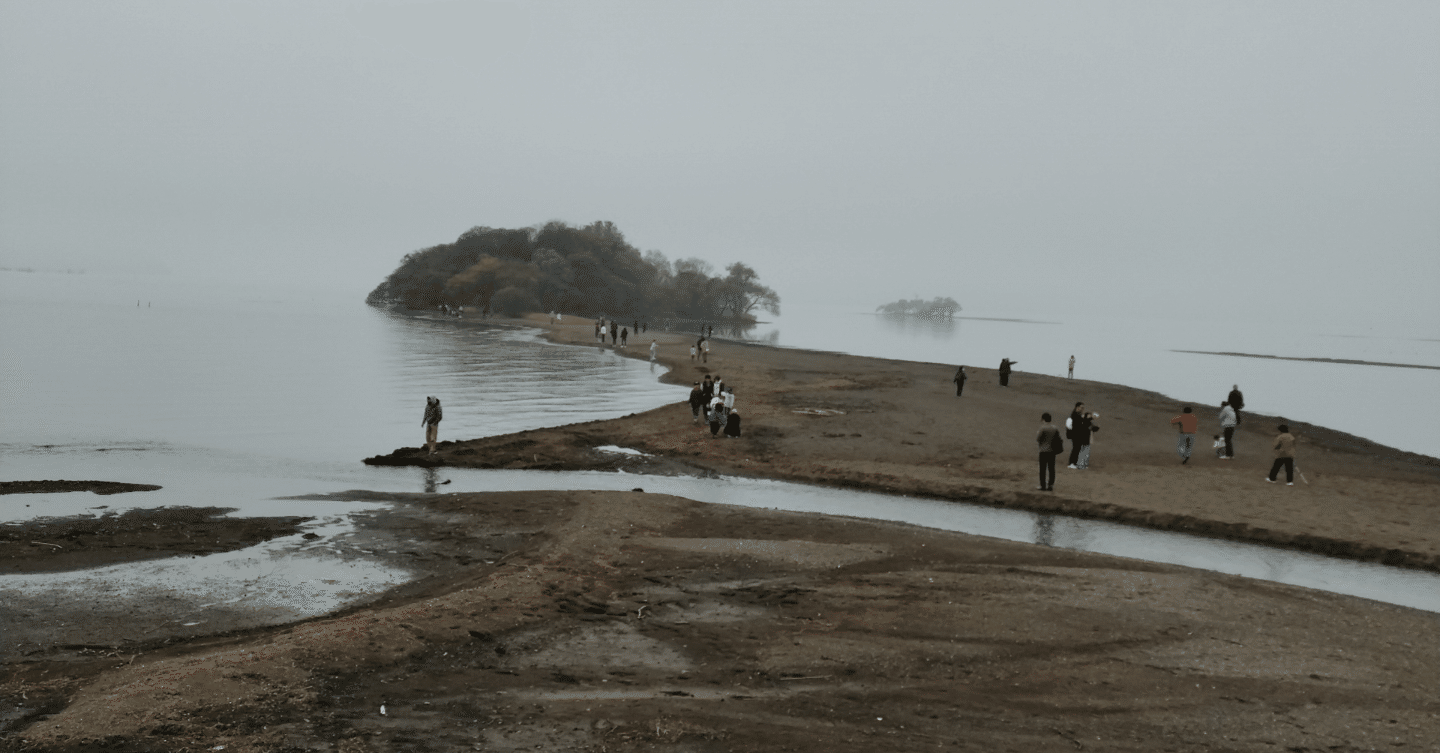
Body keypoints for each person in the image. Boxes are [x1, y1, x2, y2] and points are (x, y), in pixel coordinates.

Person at [1036, 413, 1062, 491]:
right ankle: (1050, 485)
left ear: (1043, 419)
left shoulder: (1042, 428)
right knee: (1051, 469)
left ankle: (1043, 486)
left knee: (1042, 469)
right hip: (1052, 451)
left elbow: (1038, 439)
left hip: (1043, 451)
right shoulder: (1055, 428)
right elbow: (1058, 438)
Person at [1066, 403, 1085, 468]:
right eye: (1082, 407)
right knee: (1076, 448)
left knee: (1077, 448)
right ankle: (1072, 463)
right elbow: (1078, 426)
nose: (1083, 409)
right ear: (1078, 407)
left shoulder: (1077, 414)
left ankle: (1073, 462)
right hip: (1076, 435)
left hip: (1077, 435)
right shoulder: (1075, 415)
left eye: (1083, 408)